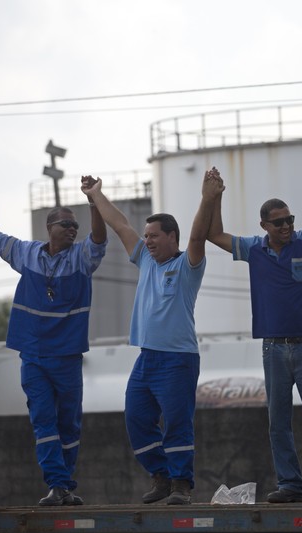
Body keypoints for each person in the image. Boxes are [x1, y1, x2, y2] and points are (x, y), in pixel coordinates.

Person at [206, 166, 302, 504]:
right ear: (265, 226)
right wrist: (216, 196)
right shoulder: (253, 249)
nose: (287, 226)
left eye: (289, 219)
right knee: (278, 422)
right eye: (279, 222)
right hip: (273, 348)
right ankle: (290, 485)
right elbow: (215, 234)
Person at [82, 169, 222, 505]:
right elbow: (120, 226)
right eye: (146, 236)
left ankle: (181, 485)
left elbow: (199, 236)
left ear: (172, 237)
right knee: (136, 418)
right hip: (147, 358)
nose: (147, 241)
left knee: (177, 423)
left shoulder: (188, 265)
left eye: (154, 235)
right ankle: (160, 475)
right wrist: (96, 195)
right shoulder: (145, 260)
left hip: (178, 359)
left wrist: (208, 198)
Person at [0, 179, 106, 506]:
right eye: (67, 224)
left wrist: (93, 203)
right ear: (49, 227)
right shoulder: (27, 254)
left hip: (67, 356)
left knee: (69, 423)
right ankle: (57, 485)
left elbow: (99, 239)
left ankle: (65, 486)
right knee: (43, 420)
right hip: (33, 355)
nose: (73, 230)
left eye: (76, 225)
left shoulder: (81, 260)